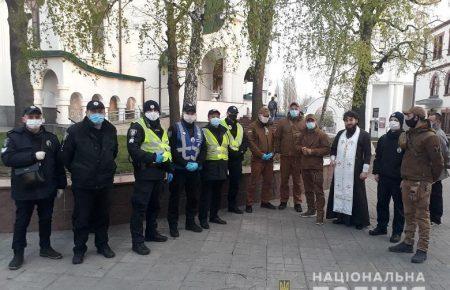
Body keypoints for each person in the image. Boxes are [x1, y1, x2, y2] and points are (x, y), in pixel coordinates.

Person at [1, 106, 67, 270]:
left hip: (46, 187)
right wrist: (32, 156)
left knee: (46, 219)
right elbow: (7, 158)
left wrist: (61, 185)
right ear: (24, 119)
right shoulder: (14, 137)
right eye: (31, 116)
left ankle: (45, 248)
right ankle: (18, 253)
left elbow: (59, 164)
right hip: (25, 188)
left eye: (37, 116)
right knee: (22, 221)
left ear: (42, 118)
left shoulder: (51, 138)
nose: (34, 119)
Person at [61, 100, 118, 264]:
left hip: (105, 181)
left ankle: (102, 245)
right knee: (82, 217)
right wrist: (79, 170)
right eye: (94, 111)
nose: (97, 114)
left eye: (100, 110)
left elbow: (113, 152)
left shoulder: (110, 129)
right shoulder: (75, 130)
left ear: (104, 112)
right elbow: (65, 156)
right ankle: (79, 249)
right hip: (83, 183)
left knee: (103, 216)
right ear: (87, 112)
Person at [389, 107, 444, 263]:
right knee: (409, 214)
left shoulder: (430, 137)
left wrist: (429, 180)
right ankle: (408, 242)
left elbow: (438, 163)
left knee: (422, 216)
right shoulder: (410, 134)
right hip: (407, 180)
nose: (407, 118)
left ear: (418, 117)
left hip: (421, 183)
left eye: (409, 115)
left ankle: (422, 248)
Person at [127, 100, 173, 255]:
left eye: (155, 110)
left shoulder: (160, 127)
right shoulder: (137, 127)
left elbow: (166, 149)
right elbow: (133, 149)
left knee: (155, 205)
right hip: (145, 173)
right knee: (140, 207)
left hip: (159, 173)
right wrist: (152, 157)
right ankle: (137, 242)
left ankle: (151, 233)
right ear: (144, 112)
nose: (153, 113)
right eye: (149, 110)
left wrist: (169, 168)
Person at [326, 110, 371, 230]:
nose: (348, 122)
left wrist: (365, 170)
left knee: (357, 194)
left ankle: (359, 220)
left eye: (351, 120)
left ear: (356, 120)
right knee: (339, 191)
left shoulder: (364, 135)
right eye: (346, 120)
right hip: (340, 169)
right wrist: (332, 159)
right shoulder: (340, 133)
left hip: (355, 170)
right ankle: (341, 217)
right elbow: (333, 149)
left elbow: (367, 154)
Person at [167, 103, 204, 237]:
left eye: (192, 112)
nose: (190, 115)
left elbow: (203, 149)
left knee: (193, 197)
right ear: (183, 113)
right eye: (188, 112)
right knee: (175, 198)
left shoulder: (200, 130)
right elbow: (170, 149)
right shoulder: (174, 128)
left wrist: (198, 163)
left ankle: (190, 222)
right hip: (179, 170)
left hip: (194, 170)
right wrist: (183, 163)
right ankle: (173, 226)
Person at [370, 112, 405, 243]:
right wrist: (376, 172)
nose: (393, 122)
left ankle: (397, 232)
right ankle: (381, 226)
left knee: (399, 207)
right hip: (384, 178)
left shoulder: (405, 139)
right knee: (382, 203)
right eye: (391, 119)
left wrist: (405, 178)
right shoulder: (384, 138)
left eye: (396, 120)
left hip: (398, 179)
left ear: (401, 122)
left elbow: (407, 160)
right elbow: (378, 157)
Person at [198, 109, 229, 229]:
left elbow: (227, 148)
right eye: (213, 116)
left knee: (217, 194)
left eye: (217, 116)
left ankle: (214, 215)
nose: (215, 118)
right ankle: (203, 218)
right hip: (209, 166)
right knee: (206, 195)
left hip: (222, 166)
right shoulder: (203, 131)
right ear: (208, 118)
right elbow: (201, 149)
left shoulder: (224, 131)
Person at [297, 114, 330, 224]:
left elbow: (326, 149)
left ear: (315, 121)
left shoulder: (322, 135)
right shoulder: (303, 134)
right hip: (305, 166)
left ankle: (320, 215)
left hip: (316, 167)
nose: (309, 122)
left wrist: (312, 151)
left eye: (311, 120)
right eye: (308, 121)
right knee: (308, 190)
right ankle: (311, 210)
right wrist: (302, 149)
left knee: (318, 191)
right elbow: (296, 145)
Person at [274, 102, 305, 212]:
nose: (294, 110)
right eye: (292, 108)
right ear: (289, 109)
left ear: (299, 109)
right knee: (284, 180)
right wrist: (277, 151)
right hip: (285, 156)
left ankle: (298, 202)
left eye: (296, 108)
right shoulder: (282, 122)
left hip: (298, 157)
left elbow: (308, 138)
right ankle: (283, 201)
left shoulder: (304, 123)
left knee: (297, 181)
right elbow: (277, 138)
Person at [246, 106, 276, 213]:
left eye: (268, 116)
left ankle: (265, 201)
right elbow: (251, 143)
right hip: (258, 160)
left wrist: (273, 152)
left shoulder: (270, 126)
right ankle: (249, 203)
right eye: (265, 116)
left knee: (268, 181)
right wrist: (260, 154)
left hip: (269, 160)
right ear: (259, 116)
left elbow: (274, 141)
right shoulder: (252, 127)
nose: (266, 118)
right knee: (253, 181)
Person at [220, 106, 248, 214]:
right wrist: (231, 152)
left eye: (235, 114)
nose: (234, 115)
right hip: (224, 158)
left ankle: (232, 206)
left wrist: (241, 151)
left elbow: (245, 141)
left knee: (235, 183)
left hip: (236, 159)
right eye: (232, 113)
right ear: (227, 113)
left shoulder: (240, 127)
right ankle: (216, 207)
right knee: (220, 182)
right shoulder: (221, 124)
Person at [428, 112, 449, 225]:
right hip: (433, 169)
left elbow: (445, 154)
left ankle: (435, 218)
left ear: (438, 122)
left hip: (437, 170)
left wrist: (439, 169)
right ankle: (433, 215)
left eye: (432, 121)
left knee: (435, 193)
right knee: (432, 193)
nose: (429, 123)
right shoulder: (433, 133)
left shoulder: (438, 135)